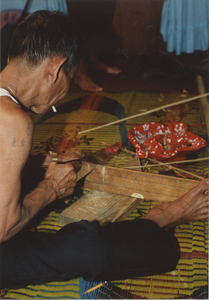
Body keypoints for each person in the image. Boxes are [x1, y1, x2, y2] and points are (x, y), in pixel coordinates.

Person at [0, 10, 208, 289]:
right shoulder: (14, 120)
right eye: (70, 78)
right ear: (55, 68)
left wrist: (46, 162)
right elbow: (4, 228)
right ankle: (160, 219)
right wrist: (51, 188)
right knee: (87, 246)